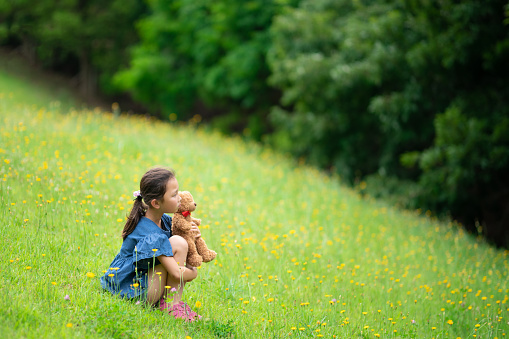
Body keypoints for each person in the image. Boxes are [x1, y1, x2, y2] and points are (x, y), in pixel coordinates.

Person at [100, 167, 202, 321]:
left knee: (180, 241)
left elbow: (184, 250)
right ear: (156, 203)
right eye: (174, 195)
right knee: (178, 243)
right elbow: (175, 272)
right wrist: (193, 272)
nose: (180, 198)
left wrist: (192, 238)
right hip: (134, 289)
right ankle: (171, 306)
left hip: (146, 280)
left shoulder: (165, 221)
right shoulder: (151, 233)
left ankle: (173, 303)